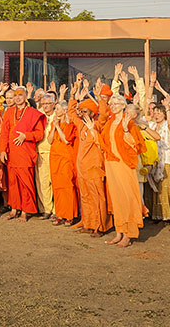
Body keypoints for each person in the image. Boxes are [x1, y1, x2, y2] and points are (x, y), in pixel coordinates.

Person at [101, 95, 147, 248]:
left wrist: (126, 129)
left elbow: (135, 145)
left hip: (124, 164)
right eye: (111, 104)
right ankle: (119, 231)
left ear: (122, 105)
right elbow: (104, 142)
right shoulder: (109, 122)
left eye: (115, 104)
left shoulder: (129, 123)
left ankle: (129, 234)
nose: (112, 106)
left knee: (128, 197)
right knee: (116, 198)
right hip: (111, 163)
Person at [0, 87, 46, 222]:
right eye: (15, 95)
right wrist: (3, 150)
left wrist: (26, 136)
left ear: (26, 96)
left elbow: (39, 134)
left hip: (25, 152)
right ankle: (14, 209)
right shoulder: (9, 111)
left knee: (26, 183)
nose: (18, 97)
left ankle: (26, 211)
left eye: (20, 95)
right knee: (13, 183)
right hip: (11, 154)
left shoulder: (33, 113)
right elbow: (4, 133)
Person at [69, 98, 109, 236]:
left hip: (94, 167)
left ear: (92, 113)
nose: (82, 114)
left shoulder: (98, 125)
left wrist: (100, 98)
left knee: (97, 197)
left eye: (85, 111)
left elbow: (104, 114)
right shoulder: (81, 125)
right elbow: (71, 113)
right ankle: (88, 224)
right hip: (82, 168)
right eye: (81, 111)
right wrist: (73, 96)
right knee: (85, 197)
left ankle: (99, 226)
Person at [48, 95, 78, 226]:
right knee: (57, 187)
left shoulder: (69, 123)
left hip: (66, 158)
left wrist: (58, 127)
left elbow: (66, 140)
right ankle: (60, 213)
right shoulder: (54, 123)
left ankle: (69, 215)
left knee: (67, 187)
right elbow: (49, 140)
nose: (56, 111)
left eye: (58, 108)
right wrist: (54, 126)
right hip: (54, 158)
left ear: (65, 110)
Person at [147, 104, 170, 223]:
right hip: (154, 158)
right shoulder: (152, 125)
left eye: (160, 112)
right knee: (155, 188)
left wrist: (169, 109)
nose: (157, 115)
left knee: (166, 187)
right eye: (155, 112)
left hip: (165, 158)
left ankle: (168, 216)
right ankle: (156, 215)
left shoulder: (166, 126)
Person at [35, 91, 57, 218]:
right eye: (44, 104)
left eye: (48, 103)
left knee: (52, 182)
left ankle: (54, 210)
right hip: (40, 151)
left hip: (53, 152)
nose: (46, 106)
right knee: (41, 182)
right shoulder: (39, 115)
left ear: (54, 104)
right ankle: (45, 208)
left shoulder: (57, 116)